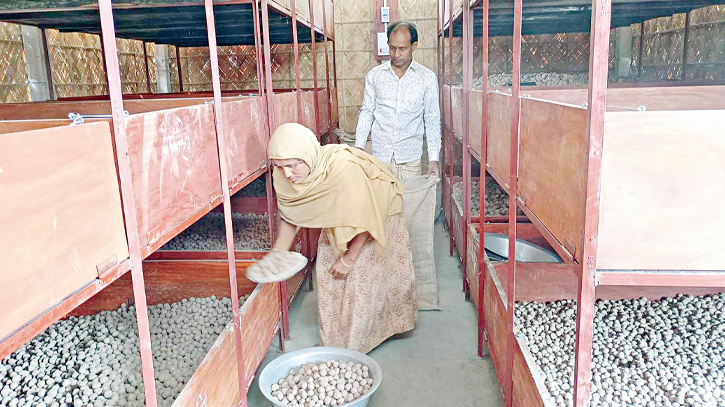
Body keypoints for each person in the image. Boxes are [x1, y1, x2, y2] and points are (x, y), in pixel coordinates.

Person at [266, 122, 418, 354]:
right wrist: (278, 252)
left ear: (307, 155)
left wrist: (349, 259)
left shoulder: (343, 170)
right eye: (280, 166)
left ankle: (355, 345)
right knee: (328, 272)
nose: (287, 173)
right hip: (341, 212)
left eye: (293, 165)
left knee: (363, 277)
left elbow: (368, 217)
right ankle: (334, 340)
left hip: (378, 211)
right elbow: (291, 213)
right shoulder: (284, 174)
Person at [354, 20, 441, 181]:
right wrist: (358, 148)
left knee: (409, 204)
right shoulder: (375, 75)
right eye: (392, 48)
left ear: (413, 46)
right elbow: (367, 112)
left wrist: (433, 158)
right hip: (380, 158)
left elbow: (432, 119)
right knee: (382, 204)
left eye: (402, 49)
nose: (396, 54)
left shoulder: (427, 78)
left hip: (410, 159)